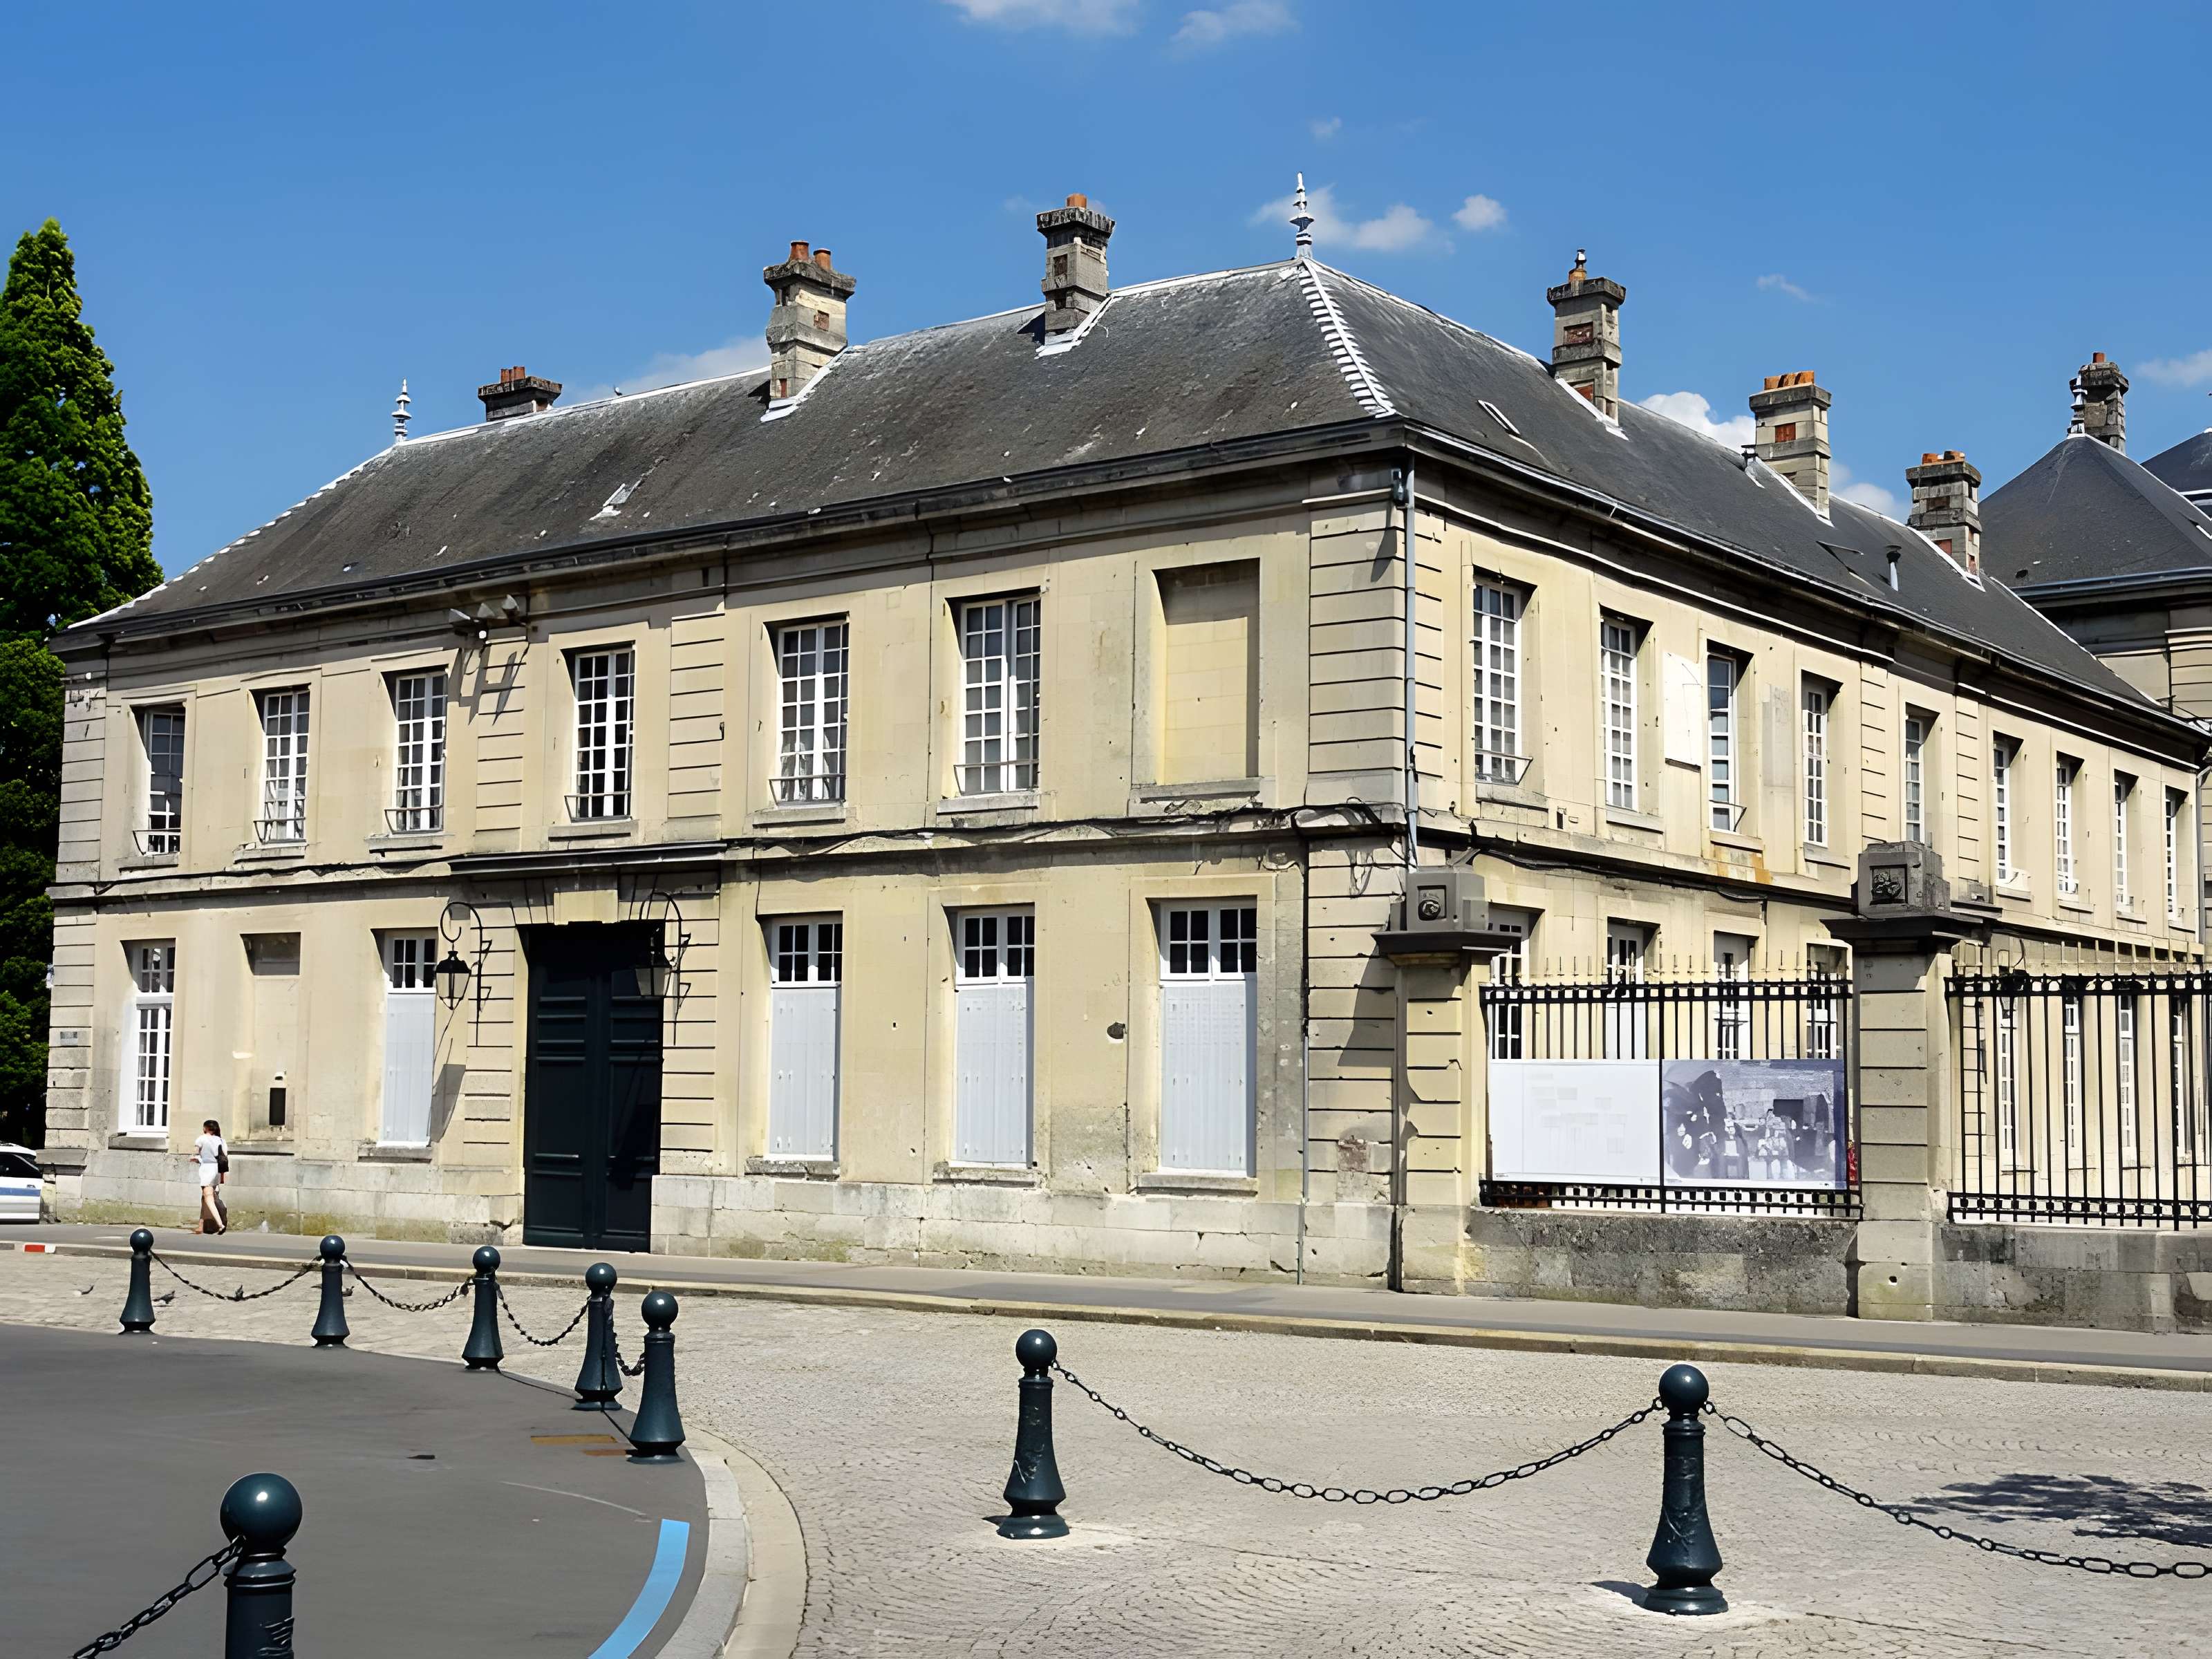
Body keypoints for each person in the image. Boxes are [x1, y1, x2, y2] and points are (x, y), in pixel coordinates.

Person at [191, 1119, 227, 1234]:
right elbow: (225, 1156)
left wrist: (196, 1159)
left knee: (208, 1197)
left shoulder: (202, 1138)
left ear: (205, 1128)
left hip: (207, 1169)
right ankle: (204, 1224)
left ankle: (220, 1224)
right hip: (217, 1170)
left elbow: (196, 1153)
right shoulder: (221, 1140)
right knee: (211, 1195)